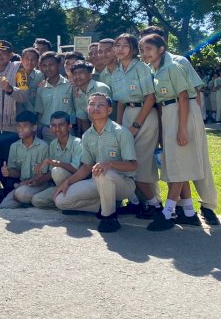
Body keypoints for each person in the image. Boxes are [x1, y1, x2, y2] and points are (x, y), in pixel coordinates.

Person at [138, 26, 219, 225]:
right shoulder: (152, 68)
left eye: (149, 46)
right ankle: (189, 211)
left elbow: (187, 96)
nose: (145, 52)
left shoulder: (176, 63)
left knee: (189, 162)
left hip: (183, 112)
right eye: (142, 47)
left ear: (162, 45)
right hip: (169, 113)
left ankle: (179, 210)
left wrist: (188, 126)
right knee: (177, 162)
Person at [54, 93, 137, 233]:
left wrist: (110, 164)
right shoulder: (87, 135)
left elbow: (133, 165)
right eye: (92, 104)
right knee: (61, 201)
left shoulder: (121, 133)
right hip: (98, 182)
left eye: (100, 105)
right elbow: (87, 166)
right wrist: (67, 182)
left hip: (123, 184)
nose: (95, 108)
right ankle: (102, 205)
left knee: (105, 172)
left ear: (109, 110)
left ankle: (109, 217)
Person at [111, 34, 161, 218]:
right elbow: (121, 102)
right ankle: (136, 203)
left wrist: (136, 124)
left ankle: (155, 206)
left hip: (145, 116)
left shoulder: (141, 68)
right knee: (125, 160)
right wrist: (118, 126)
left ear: (133, 50)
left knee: (139, 164)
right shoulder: (116, 73)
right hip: (126, 115)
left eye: (126, 45)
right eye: (117, 45)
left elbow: (150, 97)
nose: (121, 49)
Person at [0, 40, 29, 203]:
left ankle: (14, 196)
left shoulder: (19, 70)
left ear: (11, 55)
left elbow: (25, 96)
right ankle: (2, 196)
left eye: (3, 53)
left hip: (13, 128)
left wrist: (10, 89)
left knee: (12, 165)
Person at [30, 112, 83, 209]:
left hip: (75, 184)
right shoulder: (53, 144)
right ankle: (63, 202)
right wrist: (39, 181)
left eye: (61, 125)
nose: (57, 129)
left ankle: (67, 201)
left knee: (57, 171)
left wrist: (52, 162)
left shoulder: (78, 143)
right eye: (54, 125)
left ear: (69, 126)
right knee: (36, 200)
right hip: (60, 185)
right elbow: (51, 173)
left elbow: (76, 169)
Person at [0, 111, 50, 208]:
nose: (20, 129)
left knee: (20, 193)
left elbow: (44, 174)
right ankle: (26, 201)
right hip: (22, 185)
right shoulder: (14, 146)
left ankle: (30, 201)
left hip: (39, 184)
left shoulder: (43, 146)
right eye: (18, 126)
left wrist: (26, 183)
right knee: (3, 207)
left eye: (25, 126)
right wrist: (8, 172)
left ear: (34, 127)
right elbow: (17, 172)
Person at [34, 51, 74, 142]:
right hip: (48, 132)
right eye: (44, 65)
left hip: (68, 131)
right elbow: (40, 113)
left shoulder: (70, 85)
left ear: (59, 65)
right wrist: (39, 133)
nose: (48, 68)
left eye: (51, 65)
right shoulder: (41, 88)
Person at [71, 61, 111, 133]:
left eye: (81, 73)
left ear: (90, 75)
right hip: (95, 129)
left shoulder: (100, 88)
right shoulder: (78, 92)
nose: (77, 76)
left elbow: (105, 115)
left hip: (109, 128)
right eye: (75, 74)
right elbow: (83, 117)